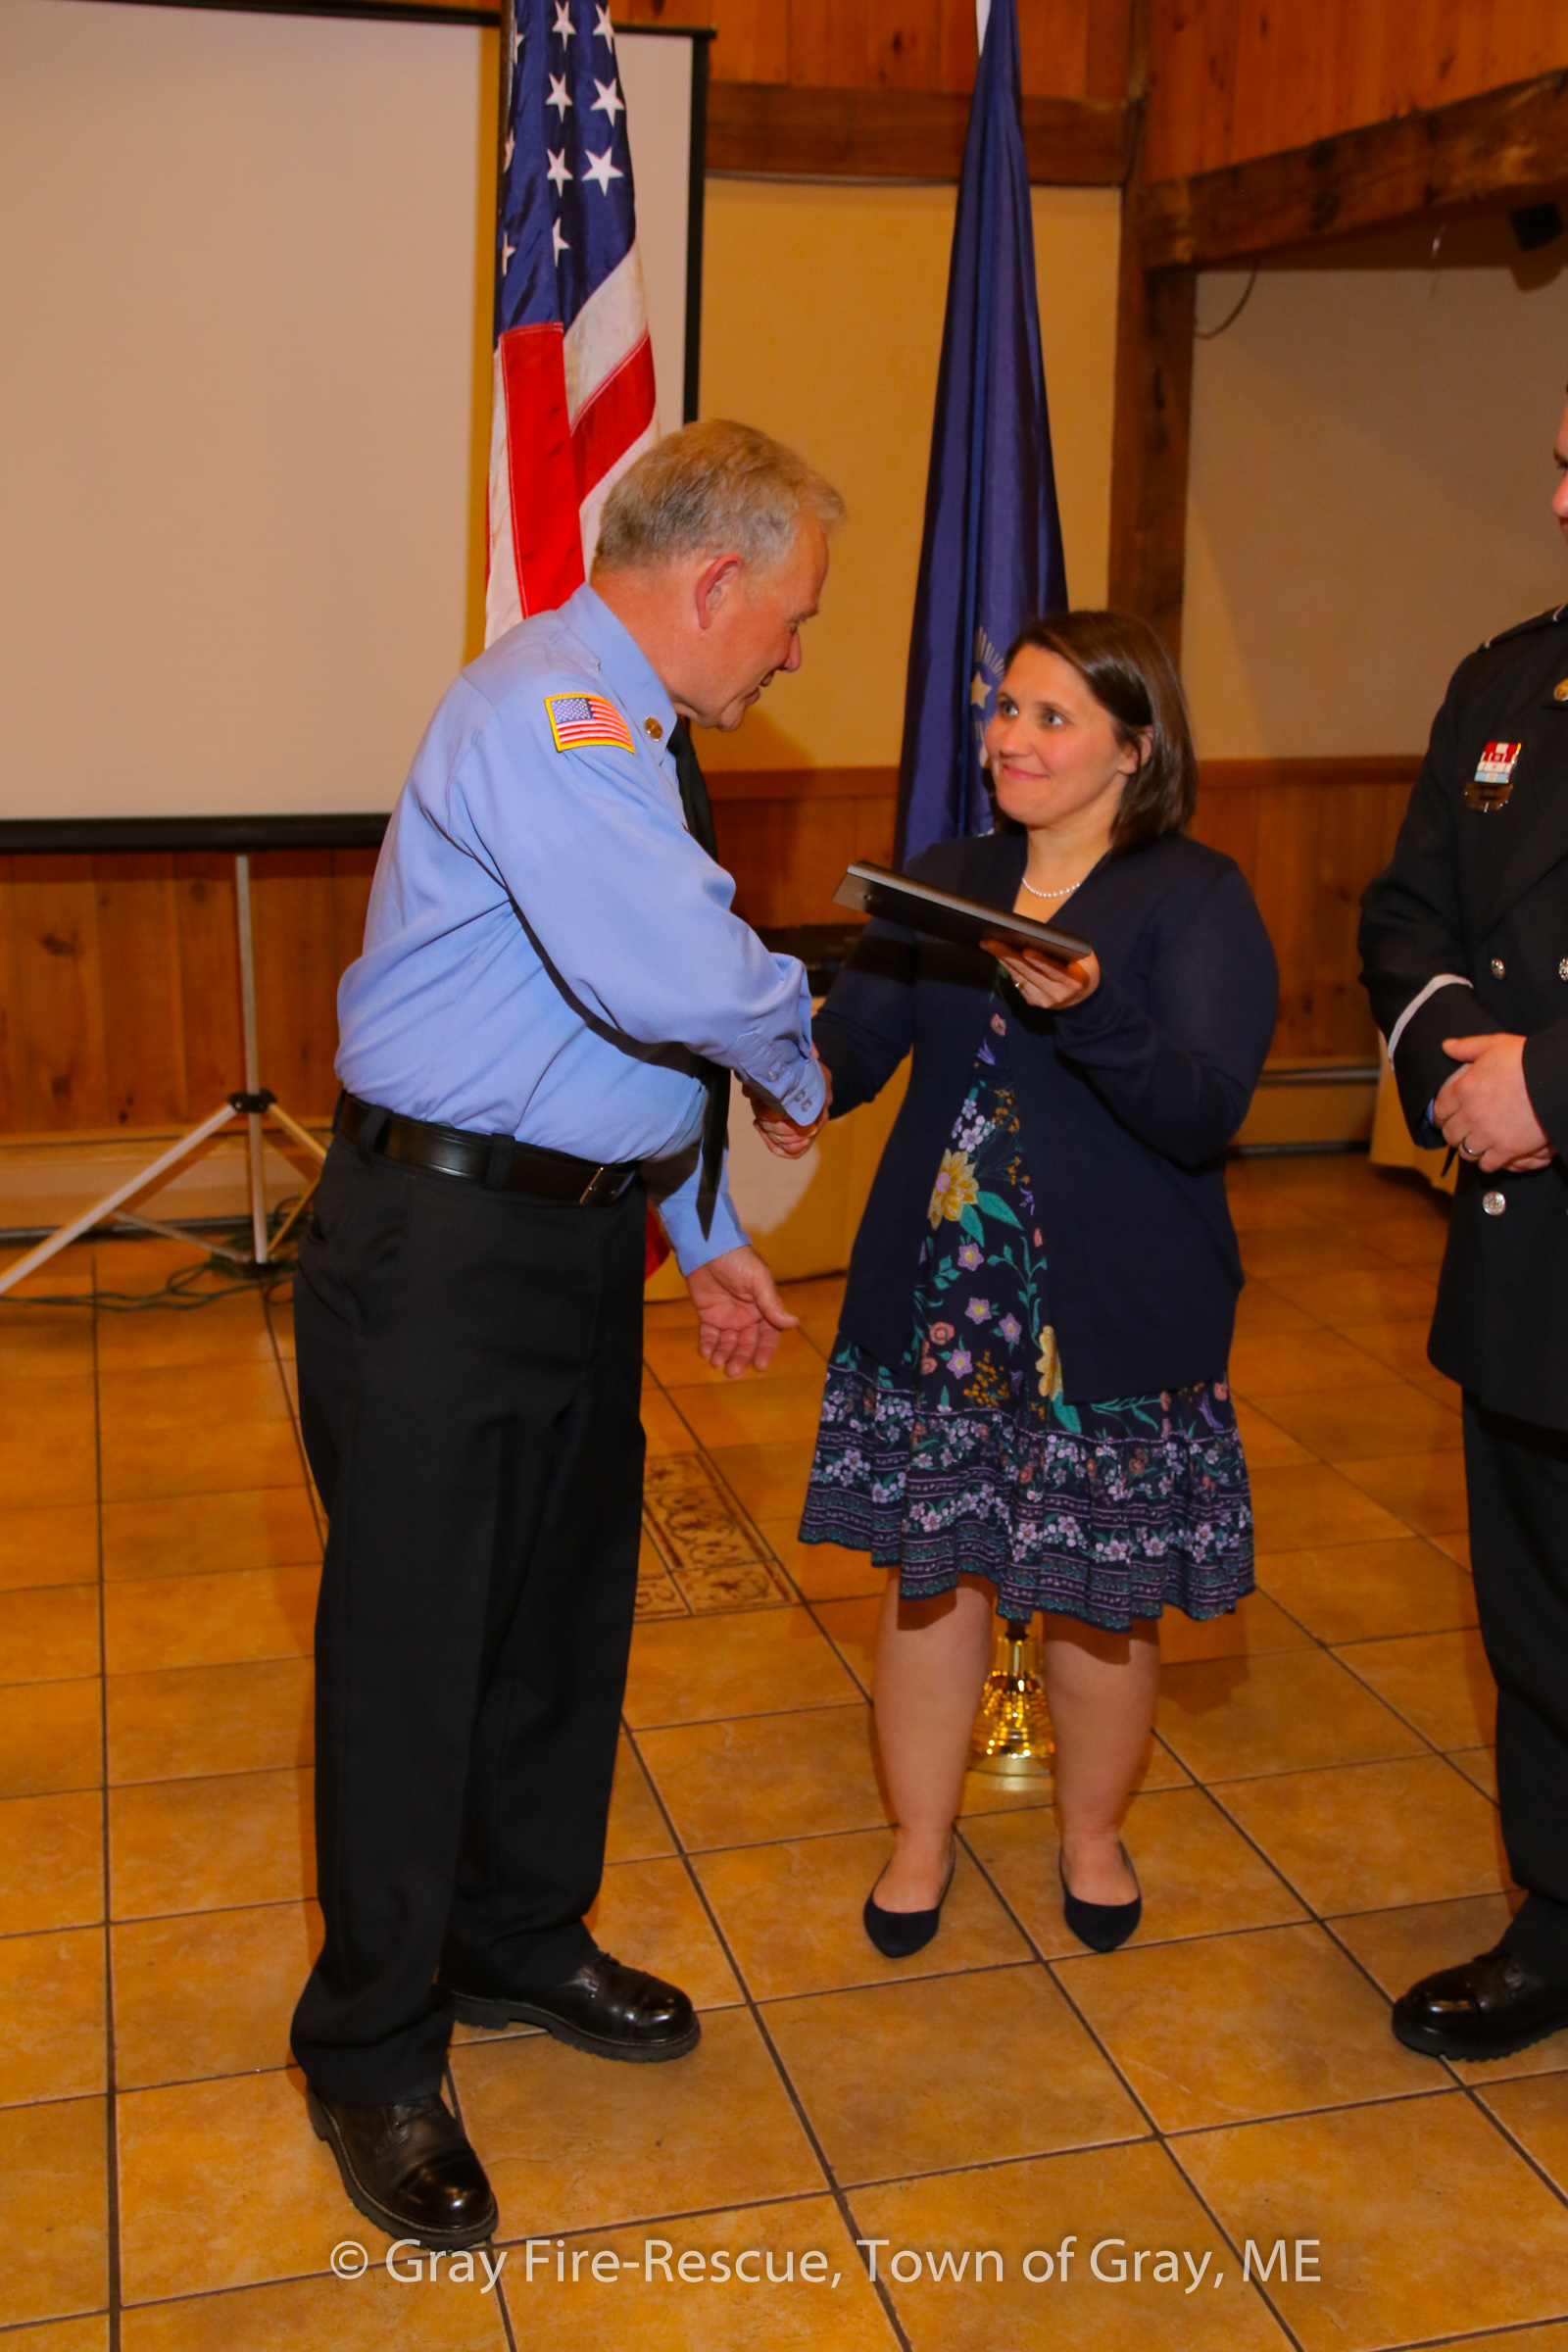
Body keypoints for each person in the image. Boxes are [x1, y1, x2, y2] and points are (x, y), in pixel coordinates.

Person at [291, 420, 840, 2248]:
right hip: (442, 1250)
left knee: (557, 1623)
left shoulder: (639, 733)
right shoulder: (558, 706)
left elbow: (602, 1038)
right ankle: (373, 2046)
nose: (792, 650)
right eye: (791, 614)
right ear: (715, 580)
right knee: (416, 1652)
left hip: (571, 1239)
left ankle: (518, 1937)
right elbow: (668, 971)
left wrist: (697, 1233)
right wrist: (796, 1049)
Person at [779, 611, 1277, 1957]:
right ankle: (919, 1842)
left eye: (1054, 717)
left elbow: (1203, 1112)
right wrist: (793, 1083)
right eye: (1007, 707)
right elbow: (856, 1045)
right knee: (932, 1581)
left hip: (1109, 1319)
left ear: (1135, 749)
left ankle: (1091, 1837)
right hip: (941, 1302)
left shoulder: (1195, 894)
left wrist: (1089, 1008)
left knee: (1101, 1602)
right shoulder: (949, 876)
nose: (1012, 736)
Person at [1359, 390, 1568, 2062]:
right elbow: (1407, 911)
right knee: (1541, 1616)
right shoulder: (1508, 683)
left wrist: (1554, 1085)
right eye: (1564, 465)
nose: (1562, 505)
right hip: (1532, 1262)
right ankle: (1558, 1916)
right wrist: (1459, 1073)